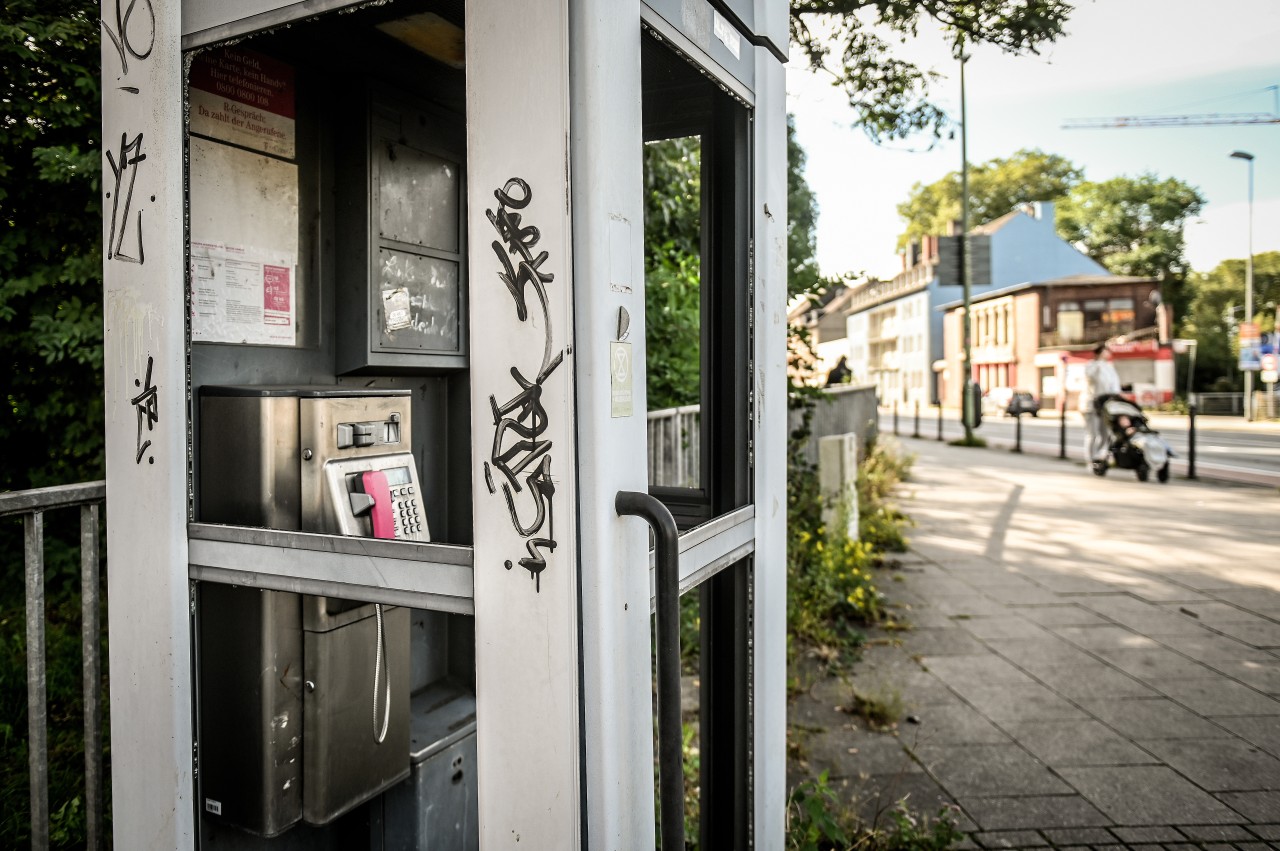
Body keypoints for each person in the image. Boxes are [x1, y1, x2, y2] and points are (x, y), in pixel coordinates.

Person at [1079, 342, 1122, 472]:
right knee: (1092, 434)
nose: (1108, 353)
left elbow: (1115, 385)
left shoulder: (1109, 367)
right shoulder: (1092, 365)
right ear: (1100, 352)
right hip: (1091, 404)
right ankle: (1089, 460)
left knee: (1105, 434)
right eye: (1106, 351)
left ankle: (1099, 457)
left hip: (1106, 405)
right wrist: (1097, 365)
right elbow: (1091, 378)